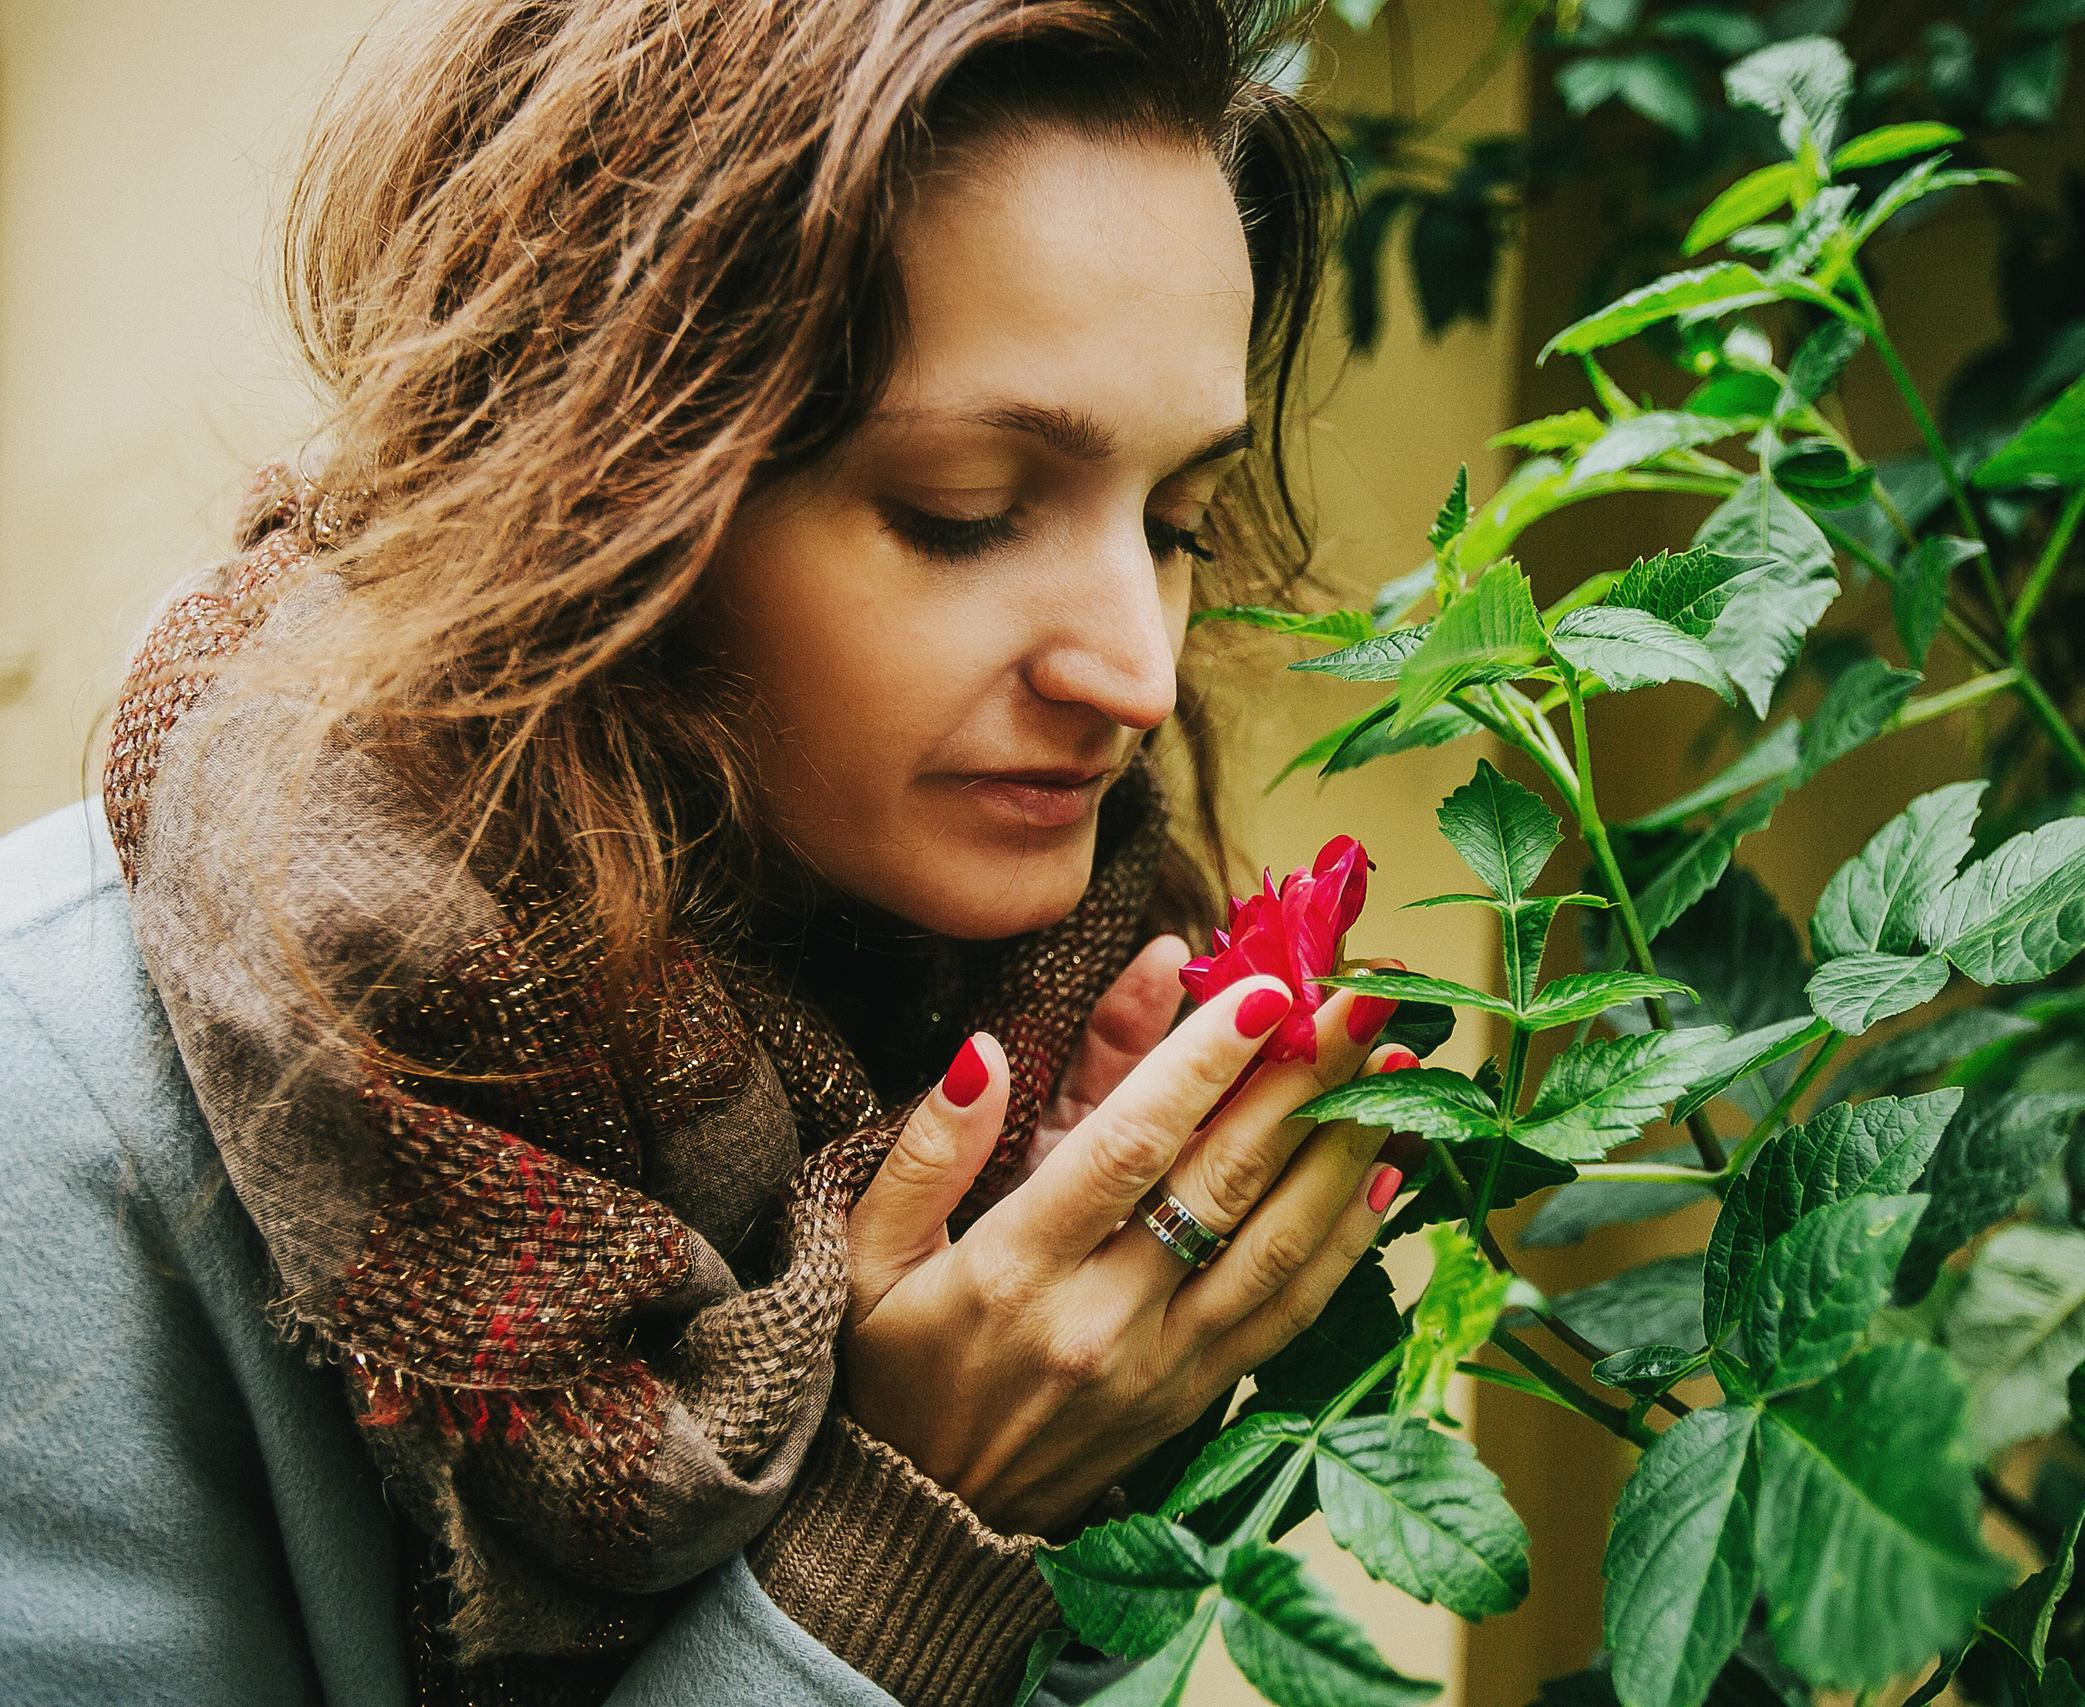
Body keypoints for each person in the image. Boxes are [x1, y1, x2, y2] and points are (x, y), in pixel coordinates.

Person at [0, 2, 1415, 1702]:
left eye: (1175, 521)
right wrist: (896, 1541)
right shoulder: (53, 1105)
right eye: (962, 510)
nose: (1140, 669)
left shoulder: (1023, 1031)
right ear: (599, 495)